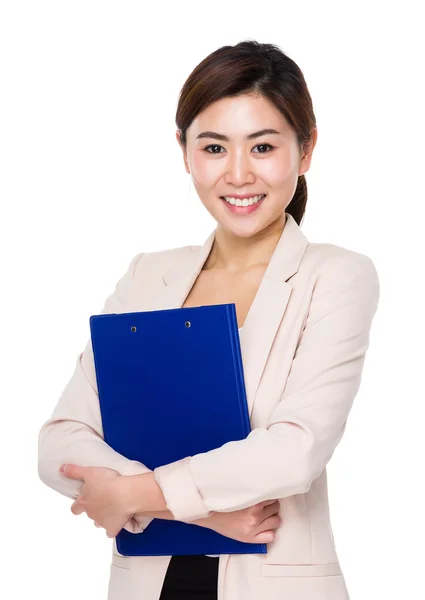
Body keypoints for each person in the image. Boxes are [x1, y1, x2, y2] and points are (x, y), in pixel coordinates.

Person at [38, 39, 380, 600]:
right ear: (185, 150)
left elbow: (293, 451)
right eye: (215, 147)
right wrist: (203, 518)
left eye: (263, 146)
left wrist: (131, 495)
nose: (239, 175)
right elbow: (60, 443)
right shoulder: (148, 277)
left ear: (307, 147)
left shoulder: (335, 276)